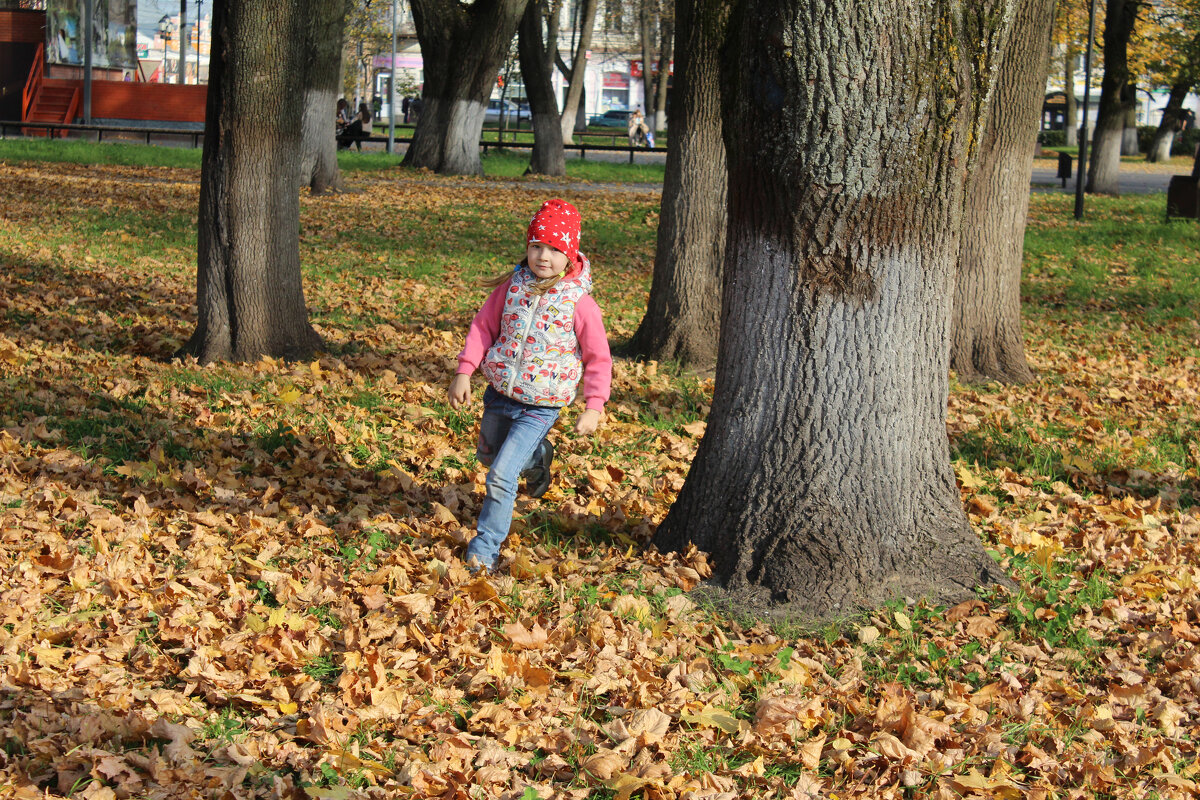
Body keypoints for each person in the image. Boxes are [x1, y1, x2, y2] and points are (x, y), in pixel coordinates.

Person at [448, 199, 613, 573]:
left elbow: (598, 358)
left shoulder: (580, 304)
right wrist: (464, 370)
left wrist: (594, 405)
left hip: (540, 407)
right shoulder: (512, 287)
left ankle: (484, 549)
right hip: (499, 395)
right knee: (488, 457)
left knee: (500, 475)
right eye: (537, 246)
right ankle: (538, 458)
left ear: (569, 255)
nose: (543, 256)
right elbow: (482, 328)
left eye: (555, 249)